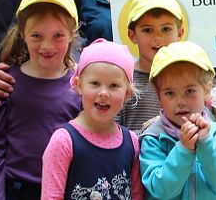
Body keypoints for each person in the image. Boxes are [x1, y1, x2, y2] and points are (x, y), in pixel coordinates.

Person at [0, 0, 82, 199]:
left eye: (57, 35)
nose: (47, 45)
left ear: (72, 34)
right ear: (23, 34)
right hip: (18, 191)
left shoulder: (80, 85)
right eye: (37, 35)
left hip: (66, 190)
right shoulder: (8, 82)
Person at [41, 39, 144, 199]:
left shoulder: (132, 142)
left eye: (114, 86)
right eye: (95, 83)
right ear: (79, 85)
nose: (103, 93)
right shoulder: (63, 141)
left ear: (127, 93)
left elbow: (137, 195)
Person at [140, 41, 216, 199]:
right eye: (170, 93)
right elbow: (161, 190)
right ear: (158, 95)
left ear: (207, 90)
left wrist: (206, 143)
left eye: (189, 91)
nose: (180, 101)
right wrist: (183, 150)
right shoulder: (153, 139)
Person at [119, 0, 185, 132]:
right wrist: (151, 131)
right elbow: (111, 135)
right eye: (148, 30)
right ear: (132, 35)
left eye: (166, 29)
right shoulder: (122, 79)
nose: (158, 37)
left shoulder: (190, 77)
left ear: (180, 33)